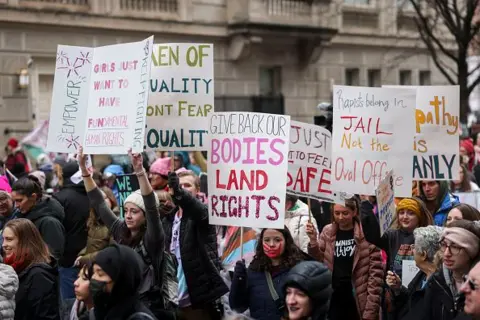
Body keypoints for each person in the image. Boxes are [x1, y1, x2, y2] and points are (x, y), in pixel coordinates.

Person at [78, 147, 169, 318]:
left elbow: (150, 206)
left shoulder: (153, 239)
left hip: (147, 304)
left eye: (134, 211)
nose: (127, 215)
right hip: (118, 301)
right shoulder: (121, 230)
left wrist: (140, 171)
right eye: (125, 210)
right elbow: (99, 203)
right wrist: (84, 171)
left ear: (145, 216)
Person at [164, 169, 228, 320]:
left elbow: (195, 208)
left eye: (187, 185)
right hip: (173, 301)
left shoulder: (204, 213)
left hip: (196, 302)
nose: (183, 188)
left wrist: (178, 191)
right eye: (180, 185)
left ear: (198, 190)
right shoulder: (168, 218)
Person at [306, 197, 384, 320]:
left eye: (345, 213)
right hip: (334, 298)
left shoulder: (367, 234)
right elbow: (318, 262)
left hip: (358, 298)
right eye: (337, 213)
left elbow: (376, 276)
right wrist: (313, 241)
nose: (340, 217)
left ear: (354, 212)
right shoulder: (327, 232)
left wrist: (370, 311)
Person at [229, 228, 308, 320]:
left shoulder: (300, 269)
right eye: (267, 240)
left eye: (277, 240)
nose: (271, 244)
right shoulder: (253, 270)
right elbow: (237, 307)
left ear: (286, 241)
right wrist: (239, 279)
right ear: (261, 242)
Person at [3, 218, 60, 320]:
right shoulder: (14, 269)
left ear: (24, 242)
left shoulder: (39, 275)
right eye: (3, 239)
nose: (4, 244)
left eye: (9, 239)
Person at [423, 220, 480, 320]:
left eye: (455, 246)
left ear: (472, 250)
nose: (446, 253)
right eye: (444, 245)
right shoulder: (435, 282)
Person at [387, 225, 443, 320]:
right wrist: (399, 288)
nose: (412, 250)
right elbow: (410, 302)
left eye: (414, 247)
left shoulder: (438, 286)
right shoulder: (422, 274)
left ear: (423, 255)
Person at [54, 161, 90, 301]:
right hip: (91, 258)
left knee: (69, 301)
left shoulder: (60, 198)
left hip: (68, 260)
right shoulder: (93, 194)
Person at [89, 244, 156, 319]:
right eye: (93, 272)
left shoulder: (139, 317)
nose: (93, 278)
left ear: (121, 278)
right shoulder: (98, 310)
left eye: (100, 274)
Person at [11, 175, 65, 259]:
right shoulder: (23, 215)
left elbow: (53, 256)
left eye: (19, 200)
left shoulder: (49, 223)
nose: (16, 206)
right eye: (14, 201)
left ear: (33, 197)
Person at [74, 189, 114, 267]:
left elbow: (110, 252)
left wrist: (84, 259)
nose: (99, 202)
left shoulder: (115, 223)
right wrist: (81, 254)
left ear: (110, 199)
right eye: (96, 199)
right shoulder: (94, 220)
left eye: (102, 199)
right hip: (90, 266)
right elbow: (91, 244)